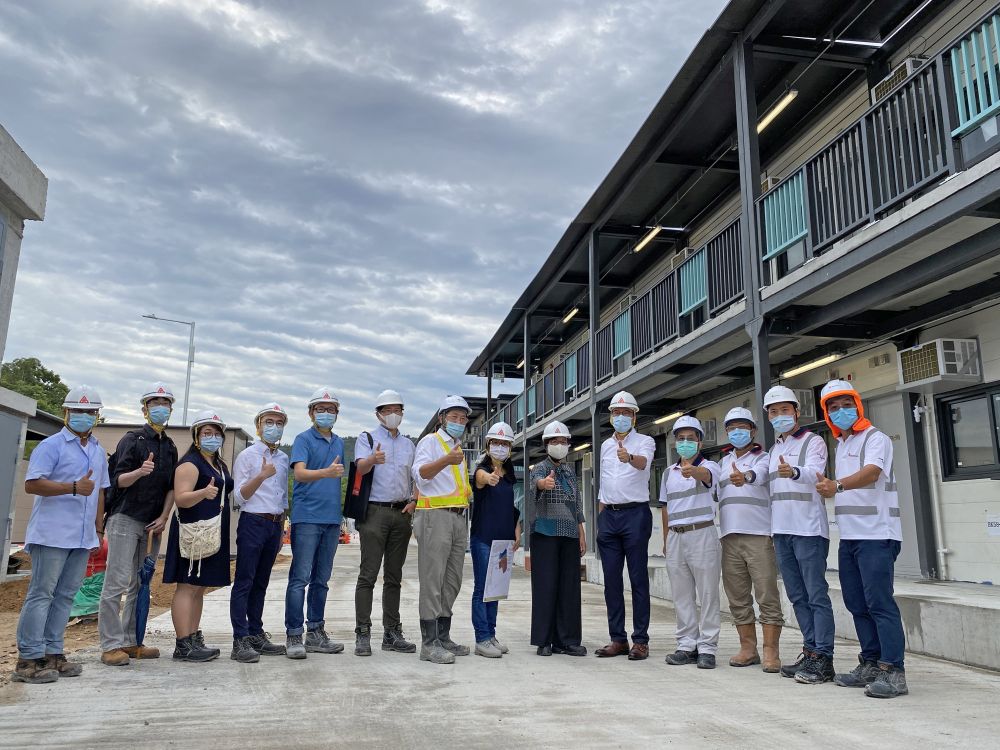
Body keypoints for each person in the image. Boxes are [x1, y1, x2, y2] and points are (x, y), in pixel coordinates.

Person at [13, 386, 110, 684]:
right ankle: (28, 659)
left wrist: (97, 530)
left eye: (90, 412)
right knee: (42, 594)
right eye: (78, 411)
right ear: (66, 412)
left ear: (97, 416)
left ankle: (54, 653)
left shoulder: (97, 450)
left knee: (66, 595)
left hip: (82, 537)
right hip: (51, 534)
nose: (84, 417)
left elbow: (99, 493)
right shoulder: (51, 446)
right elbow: (33, 484)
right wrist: (71, 488)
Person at [818, 379, 907, 699]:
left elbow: (872, 473)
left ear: (858, 405)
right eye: (833, 407)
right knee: (857, 604)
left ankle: (893, 670)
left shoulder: (875, 438)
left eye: (846, 404)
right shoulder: (841, 444)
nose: (841, 411)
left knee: (880, 602)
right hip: (852, 536)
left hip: (878, 535)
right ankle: (870, 662)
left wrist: (837, 486)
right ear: (826, 414)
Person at [99, 382, 179, 667]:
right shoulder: (131, 440)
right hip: (125, 517)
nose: (161, 408)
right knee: (117, 580)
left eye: (165, 403)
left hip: (152, 524)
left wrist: (164, 516)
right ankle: (110, 645)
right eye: (155, 403)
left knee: (139, 582)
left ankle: (131, 641)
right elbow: (116, 480)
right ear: (144, 409)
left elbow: (172, 487)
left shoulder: (169, 447)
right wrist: (139, 472)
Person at [764, 385, 835, 685]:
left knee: (816, 594)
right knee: (797, 595)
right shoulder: (774, 449)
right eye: (773, 411)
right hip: (782, 530)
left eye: (784, 410)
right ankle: (810, 650)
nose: (779, 415)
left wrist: (793, 471)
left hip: (808, 529)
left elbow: (815, 472)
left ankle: (824, 657)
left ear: (796, 411)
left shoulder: (813, 441)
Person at [163, 410, 234, 662]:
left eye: (216, 433)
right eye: (207, 432)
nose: (212, 437)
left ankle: (193, 637)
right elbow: (181, 499)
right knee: (187, 586)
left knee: (199, 588)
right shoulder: (190, 464)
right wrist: (202, 493)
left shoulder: (218, 463)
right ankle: (183, 643)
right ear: (196, 435)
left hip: (211, 532)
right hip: (193, 532)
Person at [717, 407, 783, 672]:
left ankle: (771, 651)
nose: (737, 432)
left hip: (758, 536)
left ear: (753, 431)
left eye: (743, 427)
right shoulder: (722, 462)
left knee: (766, 593)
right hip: (729, 537)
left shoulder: (764, 458)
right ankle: (748, 648)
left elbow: (760, 476)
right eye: (732, 428)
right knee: (737, 596)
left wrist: (745, 476)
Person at [353, 389, 417, 657]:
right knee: (368, 574)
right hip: (374, 512)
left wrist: (414, 501)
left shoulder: (409, 445)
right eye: (388, 410)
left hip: (401, 512)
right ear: (378, 413)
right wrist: (372, 459)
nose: (393, 415)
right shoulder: (366, 438)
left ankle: (391, 631)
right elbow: (360, 468)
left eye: (398, 410)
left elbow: (417, 480)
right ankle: (363, 633)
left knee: (394, 577)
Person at [284, 387, 346, 659]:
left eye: (330, 409)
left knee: (322, 580)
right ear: (311, 413)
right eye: (320, 409)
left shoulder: (339, 443)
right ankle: (294, 634)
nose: (325, 414)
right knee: (300, 578)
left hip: (331, 519)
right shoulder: (303, 439)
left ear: (337, 414)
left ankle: (316, 631)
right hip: (307, 518)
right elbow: (299, 474)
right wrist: (327, 472)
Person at [411, 395, 474, 665]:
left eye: (463, 418)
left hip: (458, 517)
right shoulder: (431, 442)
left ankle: (443, 635)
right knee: (432, 579)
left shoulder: (458, 448)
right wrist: (446, 460)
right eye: (453, 417)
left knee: (452, 580)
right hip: (434, 516)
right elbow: (421, 473)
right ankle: (429, 642)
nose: (458, 422)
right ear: (442, 418)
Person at [596, 391, 656, 661]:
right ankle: (617, 638)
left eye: (626, 413)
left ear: (635, 416)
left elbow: (643, 464)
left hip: (635, 515)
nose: (621, 417)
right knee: (610, 581)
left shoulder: (645, 441)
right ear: (611, 416)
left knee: (637, 578)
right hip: (609, 515)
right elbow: (604, 483)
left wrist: (629, 457)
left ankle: (640, 640)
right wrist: (601, 514)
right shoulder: (605, 446)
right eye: (616, 413)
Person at [658, 416, 722, 669]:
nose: (685, 443)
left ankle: (707, 647)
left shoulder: (711, 466)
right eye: (681, 439)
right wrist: (666, 539)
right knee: (681, 595)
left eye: (690, 438)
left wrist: (694, 471)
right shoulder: (667, 473)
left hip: (702, 534)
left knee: (708, 594)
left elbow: (706, 476)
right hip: (676, 536)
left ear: (700, 441)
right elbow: (665, 507)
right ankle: (687, 645)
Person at [229, 402, 290, 663]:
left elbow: (283, 496)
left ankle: (255, 632)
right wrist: (262, 475)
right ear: (258, 425)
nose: (274, 427)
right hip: (253, 521)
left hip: (275, 524)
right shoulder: (247, 456)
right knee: (245, 580)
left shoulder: (284, 458)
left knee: (261, 582)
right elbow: (239, 496)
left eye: (279, 423)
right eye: (269, 422)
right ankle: (239, 639)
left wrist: (283, 521)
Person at [528, 420, 586, 657]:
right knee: (546, 586)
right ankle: (544, 640)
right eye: (555, 441)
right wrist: (543, 484)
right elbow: (535, 486)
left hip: (569, 535)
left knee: (569, 588)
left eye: (563, 441)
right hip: (545, 534)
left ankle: (567, 640)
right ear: (546, 444)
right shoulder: (540, 468)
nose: (559, 445)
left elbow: (577, 503)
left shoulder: (570, 471)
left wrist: (582, 532)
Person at [470, 421, 520, 658]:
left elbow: (510, 506)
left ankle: (491, 633)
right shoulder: (482, 468)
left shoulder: (509, 474)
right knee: (482, 589)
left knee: (496, 590)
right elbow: (479, 478)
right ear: (488, 445)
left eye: (504, 443)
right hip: (483, 538)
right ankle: (481, 638)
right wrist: (487, 478)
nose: (500, 447)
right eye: (496, 443)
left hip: (503, 541)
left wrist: (516, 529)